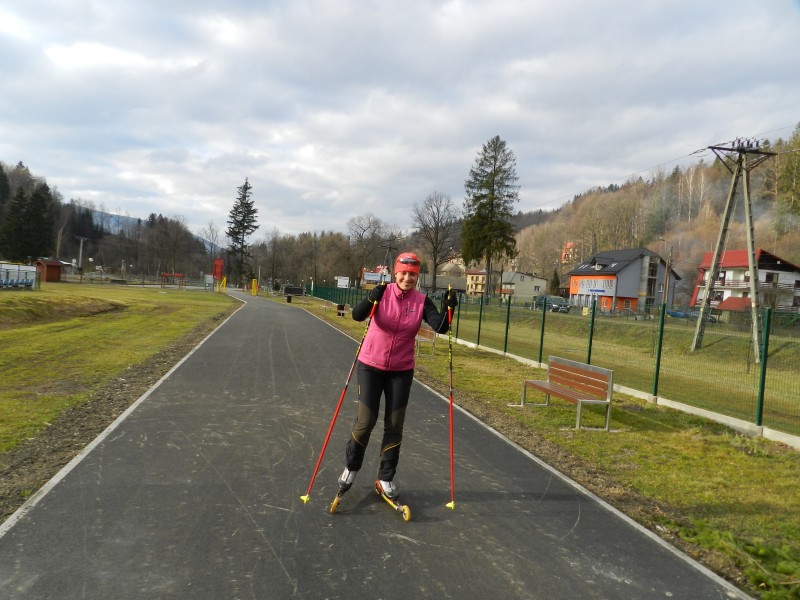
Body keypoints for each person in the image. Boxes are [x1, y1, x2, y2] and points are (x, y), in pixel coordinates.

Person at [337, 252, 458, 500]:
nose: (407, 278)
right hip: (371, 364)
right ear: (395, 273)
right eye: (403, 273)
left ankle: (385, 477)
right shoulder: (383, 292)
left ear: (417, 276)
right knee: (366, 422)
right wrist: (371, 298)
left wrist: (449, 308)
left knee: (395, 425)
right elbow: (358, 315)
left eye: (412, 274)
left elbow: (440, 327)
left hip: (401, 370)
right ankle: (351, 467)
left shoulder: (422, 301)